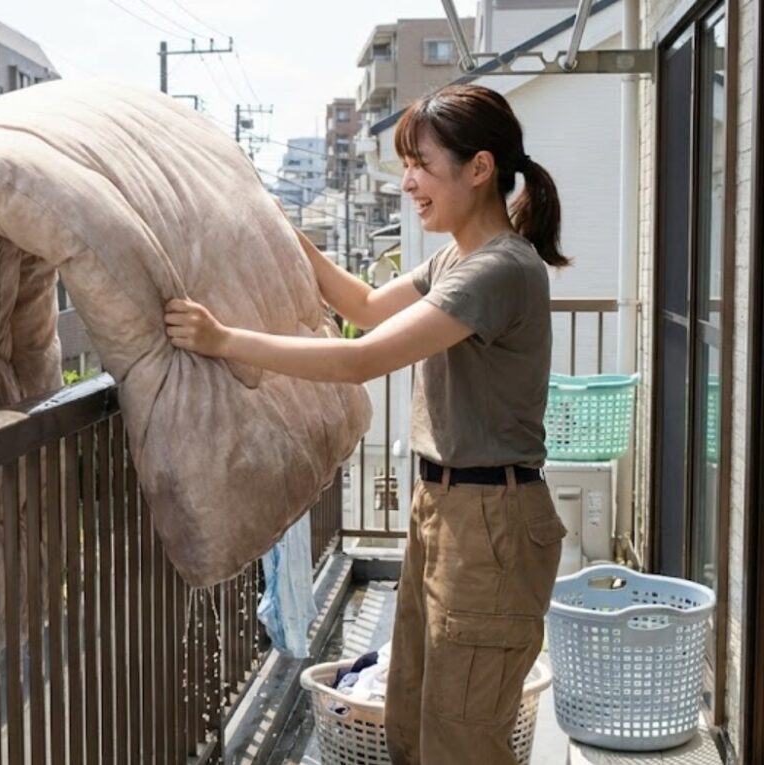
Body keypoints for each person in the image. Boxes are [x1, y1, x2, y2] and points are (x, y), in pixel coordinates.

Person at [164, 84, 568, 765]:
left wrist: (222, 339)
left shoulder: (497, 269)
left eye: (422, 163)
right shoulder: (457, 259)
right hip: (447, 508)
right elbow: (365, 303)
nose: (408, 181)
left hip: (489, 522)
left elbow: (359, 357)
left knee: (460, 741)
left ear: (480, 168)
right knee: (412, 718)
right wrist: (280, 228)